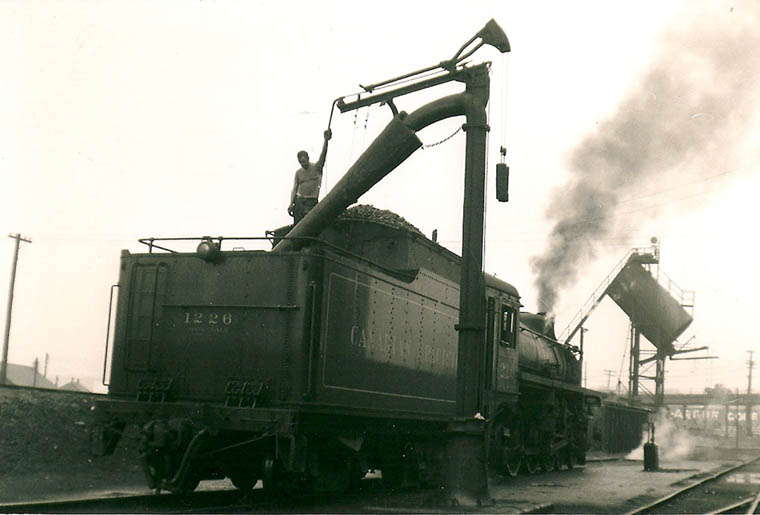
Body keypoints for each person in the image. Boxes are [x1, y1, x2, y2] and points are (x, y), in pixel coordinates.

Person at [289, 129, 332, 224]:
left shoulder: (317, 167)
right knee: (298, 226)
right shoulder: (298, 172)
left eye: (304, 161)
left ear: (308, 158)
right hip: (299, 202)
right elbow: (294, 188)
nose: (302, 164)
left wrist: (326, 141)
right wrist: (291, 203)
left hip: (311, 201)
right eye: (300, 162)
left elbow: (323, 155)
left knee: (313, 224)